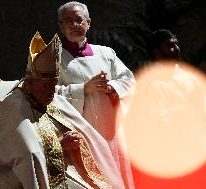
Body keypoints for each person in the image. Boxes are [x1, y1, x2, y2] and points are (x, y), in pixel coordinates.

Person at [0, 31, 126, 189]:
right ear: (31, 81)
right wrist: (58, 145)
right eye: (47, 86)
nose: (52, 92)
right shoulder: (13, 106)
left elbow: (83, 129)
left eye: (54, 85)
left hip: (68, 166)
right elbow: (27, 153)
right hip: (38, 176)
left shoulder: (50, 97)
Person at [55, 2, 136, 188]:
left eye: (78, 20)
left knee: (119, 174)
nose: (75, 25)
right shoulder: (53, 58)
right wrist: (83, 89)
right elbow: (49, 94)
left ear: (88, 23)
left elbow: (129, 82)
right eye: (68, 21)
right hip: (82, 129)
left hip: (111, 128)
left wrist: (112, 87)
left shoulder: (106, 53)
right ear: (61, 26)